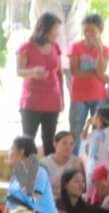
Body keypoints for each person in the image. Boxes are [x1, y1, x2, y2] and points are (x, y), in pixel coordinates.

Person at [18, 13, 64, 155]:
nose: (57, 33)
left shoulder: (56, 47)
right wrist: (32, 72)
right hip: (31, 101)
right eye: (55, 29)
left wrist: (62, 98)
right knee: (28, 139)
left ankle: (47, 174)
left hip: (52, 100)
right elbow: (19, 71)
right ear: (45, 29)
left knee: (50, 140)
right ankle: (27, 175)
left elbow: (59, 73)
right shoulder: (26, 47)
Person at [69, 14, 109, 153]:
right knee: (77, 130)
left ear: (100, 31)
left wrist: (99, 49)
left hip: (99, 95)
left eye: (92, 31)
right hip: (79, 95)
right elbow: (75, 71)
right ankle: (75, 162)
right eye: (85, 30)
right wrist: (98, 75)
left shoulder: (105, 49)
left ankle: (95, 161)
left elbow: (102, 69)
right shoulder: (76, 47)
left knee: (99, 130)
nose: (88, 34)